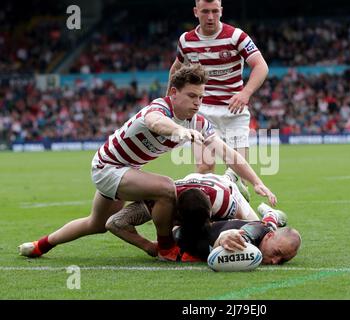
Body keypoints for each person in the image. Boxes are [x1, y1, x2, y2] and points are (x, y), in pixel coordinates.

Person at [18, 64, 277, 261]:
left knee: (95, 224)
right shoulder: (159, 109)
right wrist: (179, 132)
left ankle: (40, 245)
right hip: (108, 169)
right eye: (191, 96)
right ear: (173, 93)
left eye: (200, 97)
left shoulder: (198, 121)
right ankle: (165, 247)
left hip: (125, 170)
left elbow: (227, 153)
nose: (198, 103)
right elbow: (155, 124)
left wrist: (257, 182)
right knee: (166, 188)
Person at [168, 0, 269, 198]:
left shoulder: (236, 36)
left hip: (235, 113)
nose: (211, 16)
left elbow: (261, 66)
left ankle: (234, 201)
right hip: (203, 111)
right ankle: (205, 214)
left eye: (215, 11)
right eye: (205, 11)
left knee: (238, 173)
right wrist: (169, 104)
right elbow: (176, 70)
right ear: (196, 12)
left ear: (221, 11)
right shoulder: (186, 41)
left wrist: (245, 93)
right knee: (205, 165)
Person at [103, 172, 287, 258]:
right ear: (177, 215)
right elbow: (113, 223)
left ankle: (271, 213)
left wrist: (227, 235)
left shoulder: (223, 203)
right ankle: (230, 176)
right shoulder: (160, 202)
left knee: (256, 228)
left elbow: (252, 226)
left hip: (226, 189)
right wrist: (149, 246)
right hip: (192, 188)